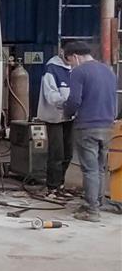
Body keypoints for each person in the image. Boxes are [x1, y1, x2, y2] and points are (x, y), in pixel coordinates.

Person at [63, 40, 119, 221]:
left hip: (87, 126)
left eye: (70, 61)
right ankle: (98, 202)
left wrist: (66, 112)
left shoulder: (79, 72)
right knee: (100, 167)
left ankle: (92, 210)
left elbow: (74, 100)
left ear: (75, 56)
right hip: (107, 125)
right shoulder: (108, 71)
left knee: (90, 169)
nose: (71, 65)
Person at [35, 44, 73, 201]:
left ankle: (61, 185)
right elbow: (50, 94)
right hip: (54, 117)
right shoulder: (51, 69)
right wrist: (66, 101)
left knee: (68, 153)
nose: (73, 59)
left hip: (70, 116)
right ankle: (52, 187)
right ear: (62, 52)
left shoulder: (74, 67)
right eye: (71, 55)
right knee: (57, 153)